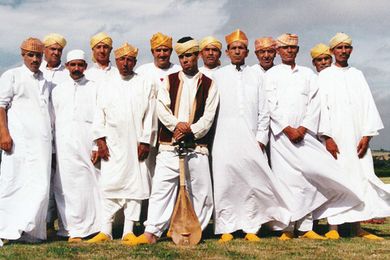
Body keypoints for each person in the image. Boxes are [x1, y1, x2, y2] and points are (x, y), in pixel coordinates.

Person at [264, 33, 362, 240]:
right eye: (285, 48)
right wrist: (287, 128)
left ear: (297, 51)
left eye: (293, 48)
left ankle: (306, 228)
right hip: (281, 137)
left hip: (306, 135)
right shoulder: (271, 75)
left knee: (310, 179)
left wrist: (303, 128)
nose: (289, 51)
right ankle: (288, 228)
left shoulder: (307, 74)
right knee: (286, 182)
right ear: (278, 51)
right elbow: (270, 105)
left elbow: (315, 104)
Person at [211, 29, 291, 243]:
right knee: (225, 181)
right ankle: (226, 227)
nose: (237, 51)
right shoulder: (217, 76)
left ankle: (251, 227)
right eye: (234, 48)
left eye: (241, 48)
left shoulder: (256, 75)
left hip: (252, 137)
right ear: (227, 53)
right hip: (223, 137)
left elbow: (264, 111)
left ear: (246, 52)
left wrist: (261, 139)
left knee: (252, 183)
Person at [137, 37, 219, 245]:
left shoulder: (209, 84)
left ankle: (193, 230)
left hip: (197, 147)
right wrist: (176, 126)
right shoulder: (169, 81)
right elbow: (161, 108)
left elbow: (208, 116)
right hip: (170, 146)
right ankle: (152, 232)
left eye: (189, 55)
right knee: (161, 189)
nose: (185, 60)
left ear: (197, 56)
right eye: (182, 56)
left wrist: (191, 130)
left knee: (201, 191)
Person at [317, 32, 390, 240]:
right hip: (336, 138)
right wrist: (327, 137)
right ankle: (334, 229)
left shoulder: (358, 74)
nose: (343, 51)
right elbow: (321, 109)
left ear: (351, 50)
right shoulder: (324, 76)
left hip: (359, 139)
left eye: (346, 47)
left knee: (360, 178)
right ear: (332, 51)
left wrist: (367, 135)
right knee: (337, 180)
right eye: (339, 48)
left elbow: (368, 106)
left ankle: (357, 228)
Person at [87, 43, 154, 244]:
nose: (126, 63)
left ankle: (128, 231)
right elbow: (99, 114)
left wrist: (145, 141)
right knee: (109, 183)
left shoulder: (144, 83)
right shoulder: (106, 84)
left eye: (130, 60)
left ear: (135, 62)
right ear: (116, 61)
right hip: (112, 144)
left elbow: (150, 115)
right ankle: (105, 230)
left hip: (135, 144)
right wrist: (100, 141)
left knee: (135, 185)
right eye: (122, 60)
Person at [0, 38, 52, 246]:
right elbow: (1, 106)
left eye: (38, 55)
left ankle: (30, 230)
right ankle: (5, 229)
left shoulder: (45, 80)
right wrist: (3, 134)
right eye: (31, 55)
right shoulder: (12, 75)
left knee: (40, 185)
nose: (35, 59)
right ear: (22, 55)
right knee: (13, 182)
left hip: (42, 143)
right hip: (18, 142)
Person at [51, 49, 101, 243]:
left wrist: (97, 144)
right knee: (65, 185)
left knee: (90, 184)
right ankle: (70, 229)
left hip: (88, 143)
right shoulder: (58, 90)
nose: (77, 68)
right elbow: (53, 121)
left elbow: (99, 117)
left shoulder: (94, 87)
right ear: (67, 67)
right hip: (64, 145)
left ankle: (93, 227)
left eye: (80, 65)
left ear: (85, 67)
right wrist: (54, 150)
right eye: (73, 65)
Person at [41, 32, 70, 237]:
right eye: (52, 49)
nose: (56, 52)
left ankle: (64, 221)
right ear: (45, 50)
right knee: (44, 179)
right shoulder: (36, 71)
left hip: (64, 134)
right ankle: (46, 222)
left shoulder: (67, 73)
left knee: (62, 179)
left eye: (59, 50)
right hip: (41, 133)